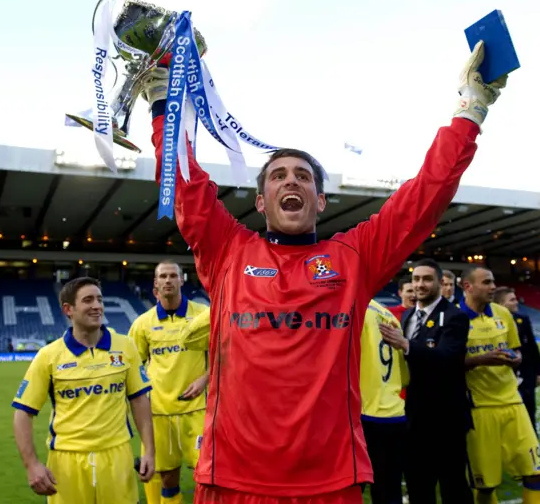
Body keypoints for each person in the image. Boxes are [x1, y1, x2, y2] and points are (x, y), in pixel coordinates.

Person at [141, 40, 507, 504]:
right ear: (260, 202)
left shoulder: (353, 258)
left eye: (303, 176)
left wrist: (470, 110)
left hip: (330, 482)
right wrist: (160, 98)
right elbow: (185, 183)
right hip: (232, 480)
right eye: (277, 176)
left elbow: (425, 196)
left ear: (320, 201)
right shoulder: (228, 251)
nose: (290, 180)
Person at [11, 277, 155, 504]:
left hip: (117, 456)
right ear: (68, 309)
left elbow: (139, 401)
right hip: (66, 461)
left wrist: (149, 451)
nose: (97, 305)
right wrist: (32, 465)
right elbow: (22, 413)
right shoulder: (48, 356)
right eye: (88, 300)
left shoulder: (125, 346)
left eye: (99, 299)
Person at [379, 258, 472, 504]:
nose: (420, 284)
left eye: (427, 279)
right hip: (412, 417)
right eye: (416, 279)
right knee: (418, 484)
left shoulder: (455, 317)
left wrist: (406, 344)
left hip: (446, 418)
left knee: (453, 485)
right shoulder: (407, 316)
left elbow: (448, 358)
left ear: (440, 283)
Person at [460, 266, 540, 504]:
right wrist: (481, 360)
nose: (493, 287)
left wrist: (516, 359)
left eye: (493, 282)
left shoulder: (502, 314)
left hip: (513, 403)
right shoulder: (454, 318)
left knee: (535, 473)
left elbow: (517, 350)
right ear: (467, 286)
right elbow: (446, 362)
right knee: (486, 485)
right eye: (486, 282)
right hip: (479, 410)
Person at [129, 261, 211, 504]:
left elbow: (225, 354)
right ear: (155, 283)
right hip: (159, 413)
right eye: (162, 276)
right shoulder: (143, 324)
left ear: (181, 280)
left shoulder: (203, 315)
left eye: (173, 275)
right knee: (167, 477)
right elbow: (134, 366)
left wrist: (205, 379)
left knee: (207, 474)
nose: (167, 280)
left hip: (197, 411)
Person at [359, 300, 409, 504]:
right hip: (394, 414)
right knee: (389, 491)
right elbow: (405, 377)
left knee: (347, 489)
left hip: (363, 414)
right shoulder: (387, 314)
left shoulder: (352, 309)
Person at [493, 286, 540, 432]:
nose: (516, 302)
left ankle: (533, 449)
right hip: (503, 377)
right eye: (512, 300)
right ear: (501, 304)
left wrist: (539, 372)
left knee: (529, 413)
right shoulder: (491, 323)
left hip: (527, 375)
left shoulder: (523, 319)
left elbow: (533, 348)